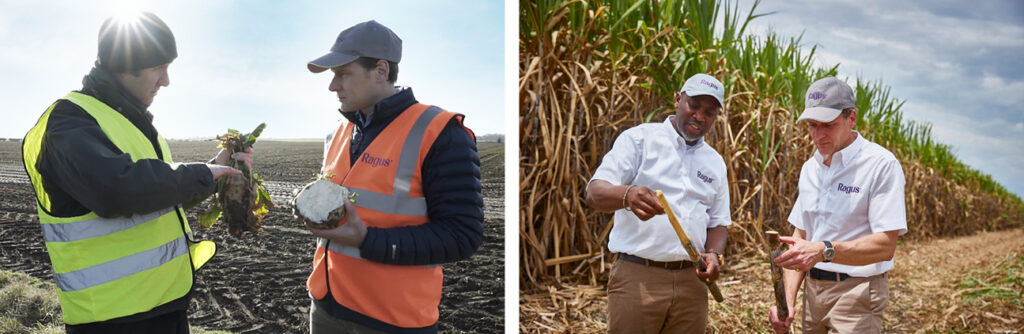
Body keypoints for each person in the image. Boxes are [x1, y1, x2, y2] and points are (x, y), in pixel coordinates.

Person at [20, 12, 252, 334]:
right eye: (158, 67)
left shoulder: (137, 125)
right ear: (121, 64)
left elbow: (159, 195)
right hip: (112, 320)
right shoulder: (68, 122)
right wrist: (200, 174)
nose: (166, 80)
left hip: (164, 307)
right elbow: (117, 191)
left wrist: (218, 167)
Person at [303, 20, 484, 333]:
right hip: (326, 307)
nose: (333, 86)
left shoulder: (441, 133)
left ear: (381, 71)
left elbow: (462, 236)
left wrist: (368, 240)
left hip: (392, 320)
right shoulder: (339, 133)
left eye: (343, 74)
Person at [585, 73, 731, 333]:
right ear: (678, 99)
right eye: (694, 105)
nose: (700, 116)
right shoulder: (639, 140)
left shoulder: (715, 162)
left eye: (709, 111)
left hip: (692, 283)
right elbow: (595, 192)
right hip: (639, 277)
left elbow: (719, 222)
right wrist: (627, 195)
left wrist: (714, 254)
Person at [768, 76, 907, 334]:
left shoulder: (880, 165)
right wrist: (787, 300)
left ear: (851, 118)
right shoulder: (811, 168)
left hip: (858, 290)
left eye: (828, 125)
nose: (818, 135)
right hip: (814, 292)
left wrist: (825, 250)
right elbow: (802, 235)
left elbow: (886, 246)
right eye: (812, 125)